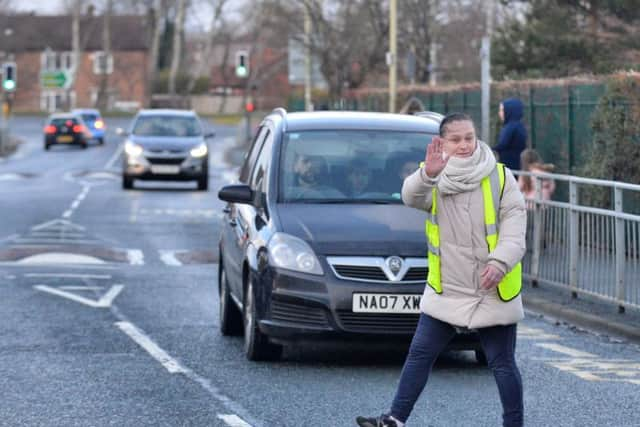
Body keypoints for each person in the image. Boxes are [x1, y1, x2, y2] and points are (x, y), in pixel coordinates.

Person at [356, 113, 527, 427]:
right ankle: (395, 419)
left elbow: (516, 230)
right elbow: (410, 197)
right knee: (420, 353)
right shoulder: (433, 177)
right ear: (443, 142)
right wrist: (427, 175)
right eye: (456, 139)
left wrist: (500, 262)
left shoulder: (501, 177)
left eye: (469, 138)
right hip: (447, 287)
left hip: (491, 286)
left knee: (502, 364)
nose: (464, 145)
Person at [494, 98, 527, 170]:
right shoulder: (519, 125)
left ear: (509, 110)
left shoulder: (511, 127)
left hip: (510, 166)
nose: (500, 113)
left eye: (502, 110)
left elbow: (502, 145)